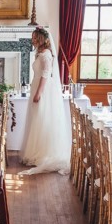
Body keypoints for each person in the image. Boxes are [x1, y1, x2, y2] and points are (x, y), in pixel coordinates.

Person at [20, 27, 71, 175]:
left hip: (43, 90)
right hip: (36, 86)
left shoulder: (46, 54)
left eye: (35, 37)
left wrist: (38, 94)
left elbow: (45, 75)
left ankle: (43, 154)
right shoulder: (40, 53)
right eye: (33, 37)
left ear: (41, 39)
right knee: (37, 120)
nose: (33, 40)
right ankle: (35, 152)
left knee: (42, 119)